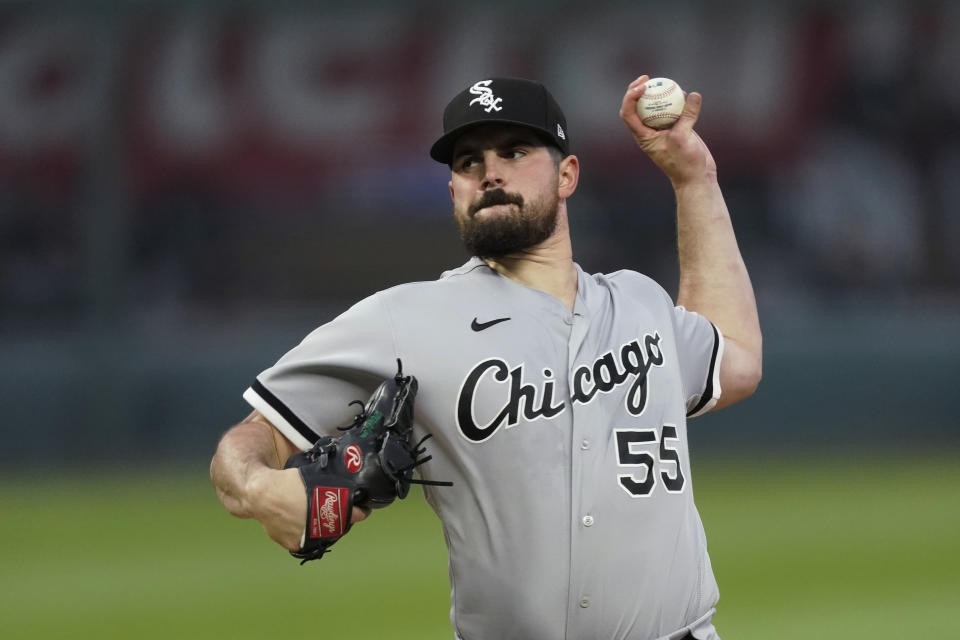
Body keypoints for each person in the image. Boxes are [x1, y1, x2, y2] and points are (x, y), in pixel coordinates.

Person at [210, 75, 762, 640]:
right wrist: (259, 488)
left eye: (515, 152)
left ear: (566, 175)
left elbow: (736, 359)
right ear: (454, 193)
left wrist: (694, 178)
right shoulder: (404, 321)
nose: (490, 172)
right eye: (469, 162)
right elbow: (251, 440)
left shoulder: (640, 302)